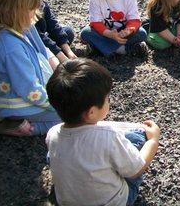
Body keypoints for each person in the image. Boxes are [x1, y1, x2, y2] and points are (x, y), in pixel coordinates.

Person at [46, 58, 160, 206]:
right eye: (107, 98)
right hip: (113, 201)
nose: (108, 101)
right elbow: (136, 170)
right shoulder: (108, 136)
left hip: (65, 201)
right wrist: (153, 140)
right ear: (91, 112)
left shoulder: (52, 133)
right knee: (137, 137)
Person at [0, 0, 62, 136]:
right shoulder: (10, 47)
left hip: (28, 98)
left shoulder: (22, 27)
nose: (35, 13)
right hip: (18, 104)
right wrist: (59, 104)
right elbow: (28, 89)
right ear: (14, 12)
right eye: (31, 9)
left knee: (79, 111)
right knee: (75, 117)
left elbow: (42, 51)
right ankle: (17, 126)